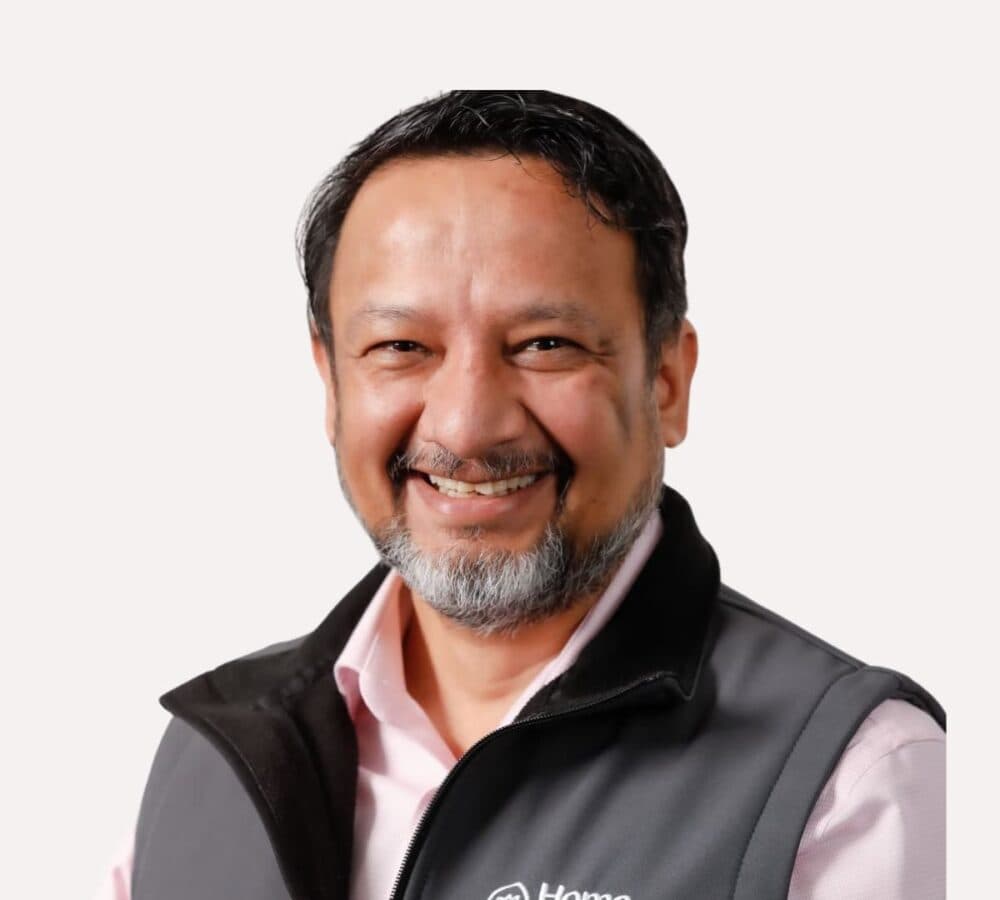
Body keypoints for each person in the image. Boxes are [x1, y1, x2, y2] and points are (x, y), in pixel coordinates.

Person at [98, 90, 945, 900]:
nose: (467, 427)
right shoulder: (208, 764)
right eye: (400, 347)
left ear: (667, 381)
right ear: (331, 384)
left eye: (545, 344)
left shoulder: (853, 784)